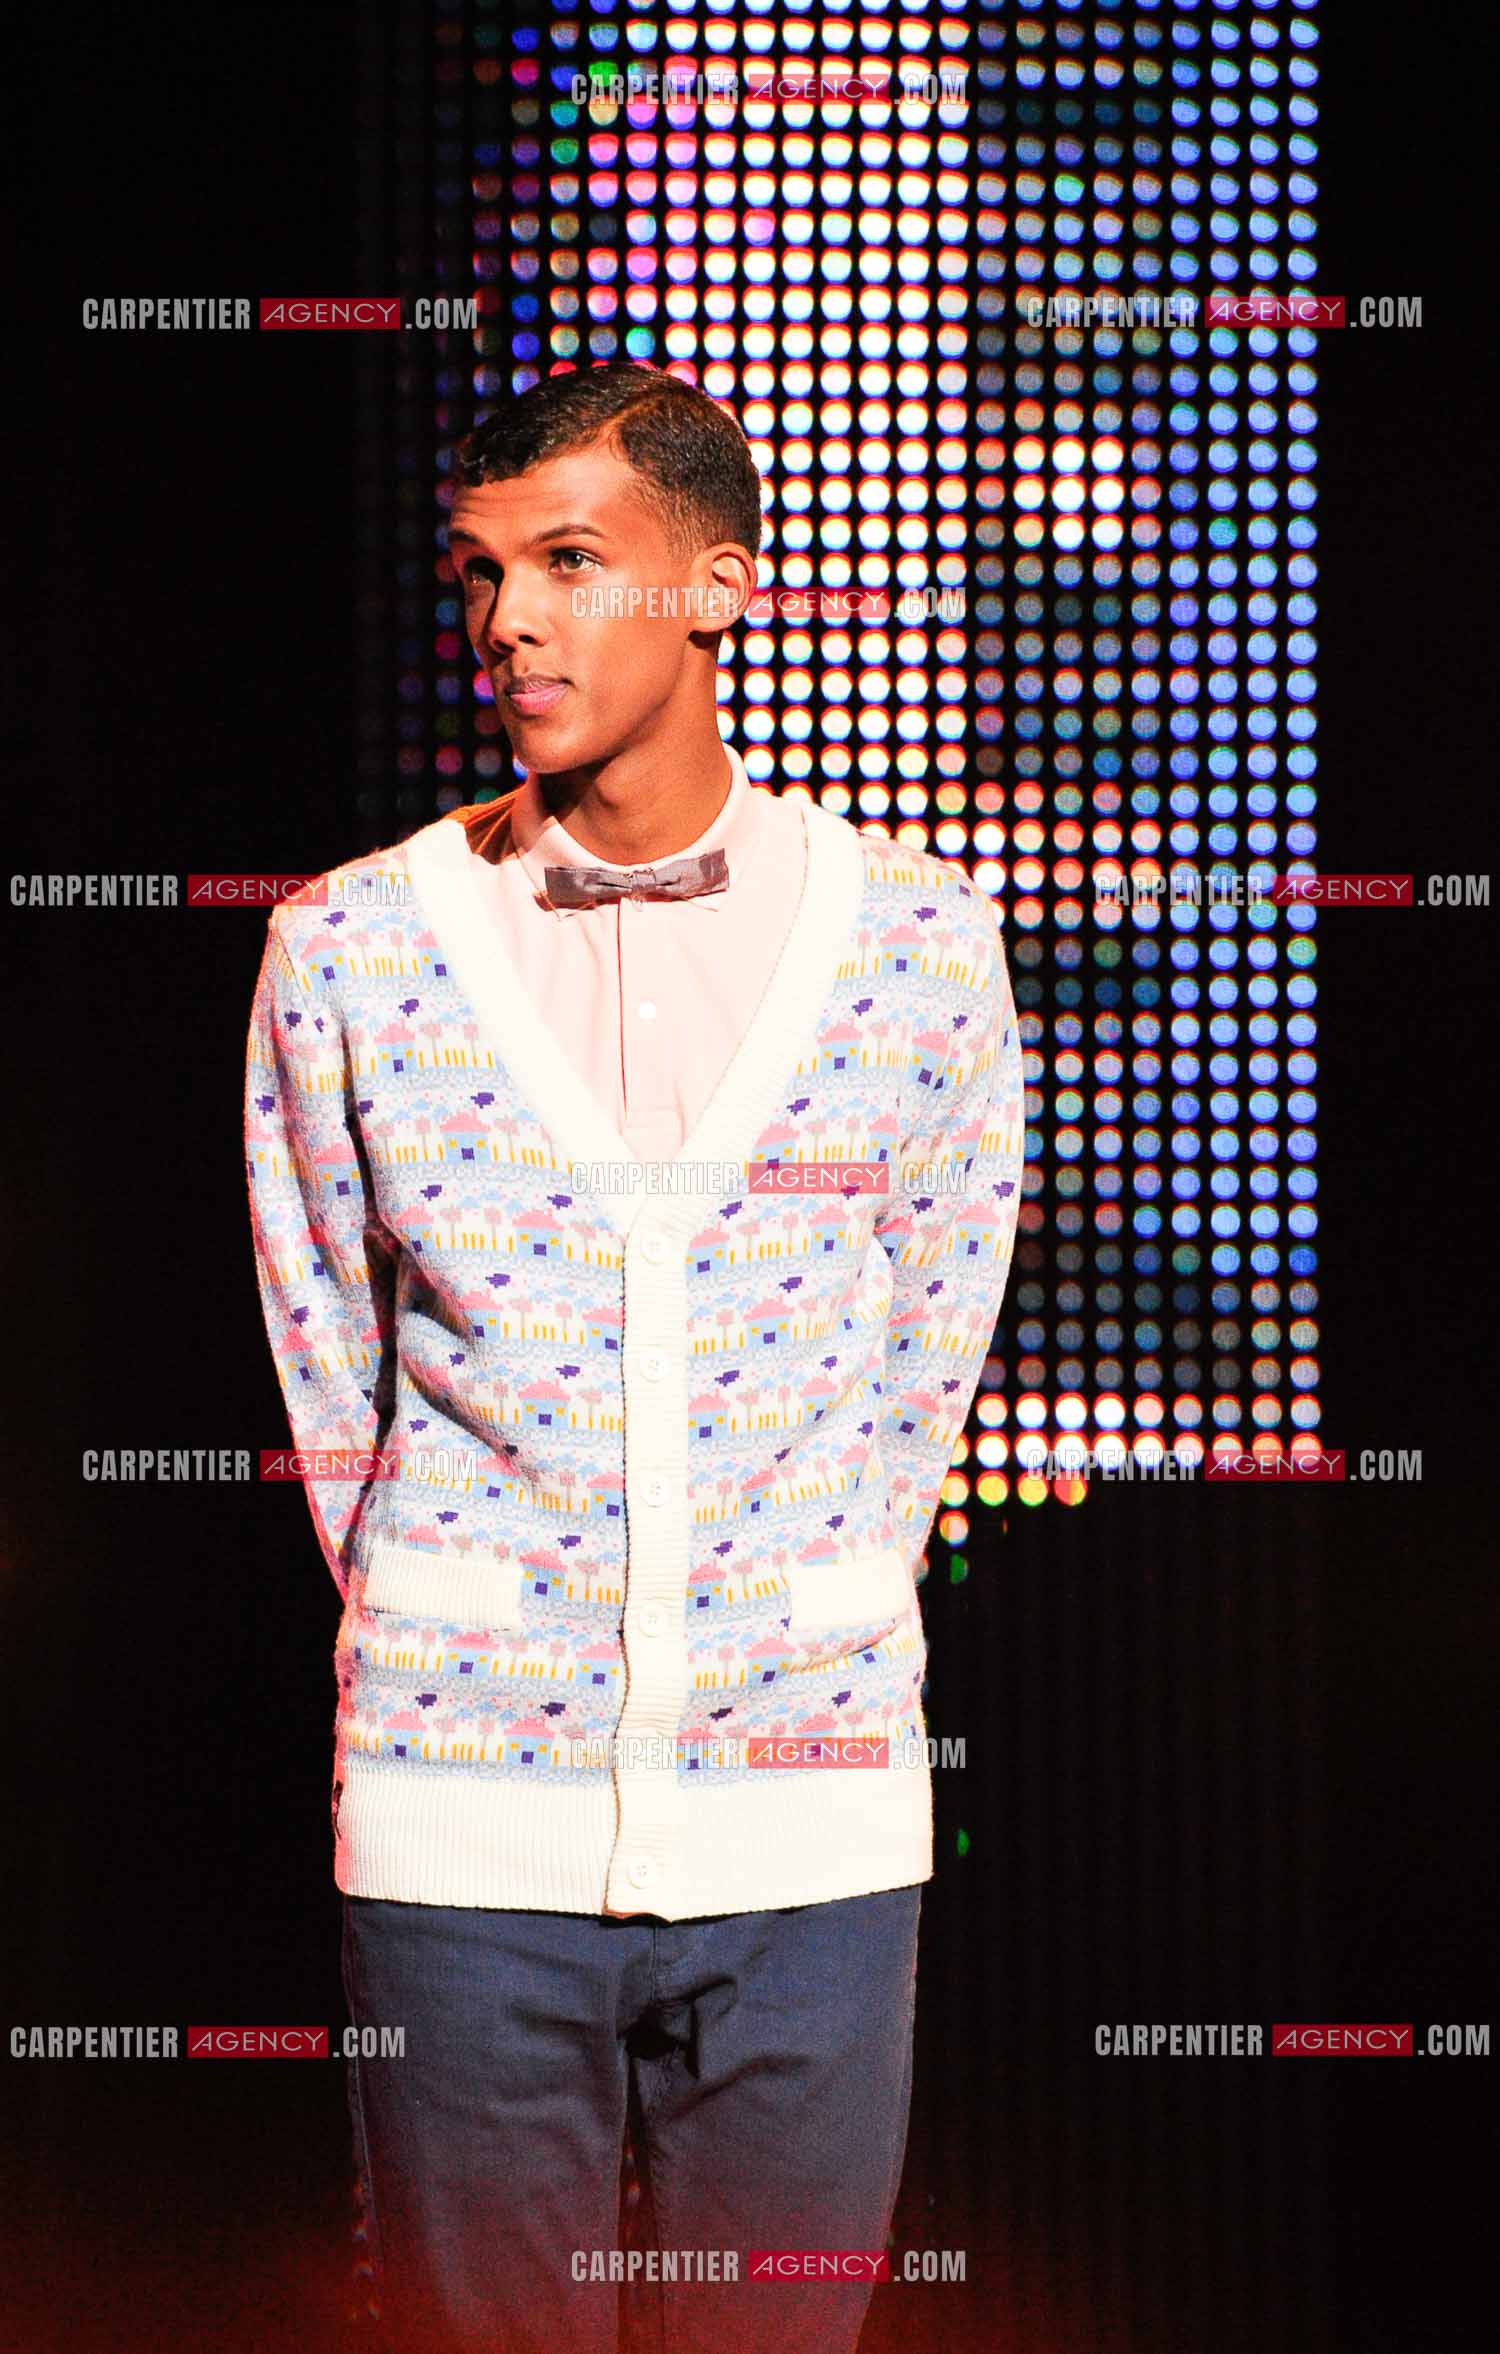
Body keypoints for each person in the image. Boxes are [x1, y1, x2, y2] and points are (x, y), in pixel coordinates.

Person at [243, 361, 1024, 2354]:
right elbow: (335, 1370)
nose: (510, 617)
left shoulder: (917, 943)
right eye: (488, 569)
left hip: (814, 1826)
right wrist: (477, 1644)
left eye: (572, 563)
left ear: (717, 589)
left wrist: (802, 1617)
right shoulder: (345, 944)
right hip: (456, 1827)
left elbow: (922, 1349)